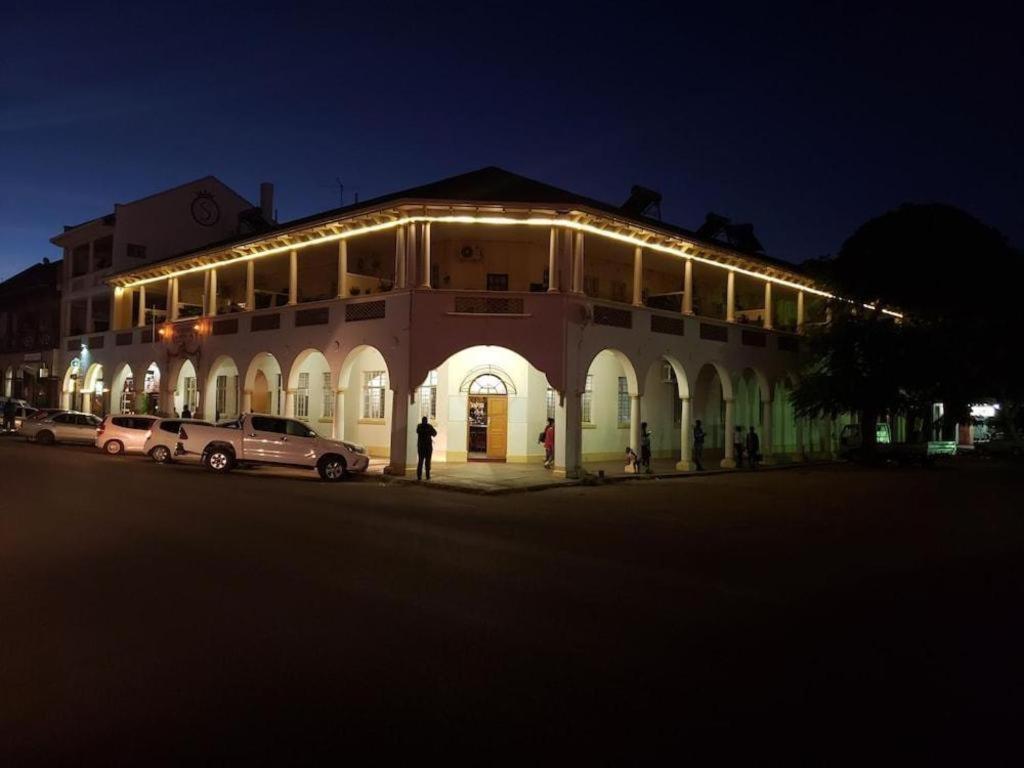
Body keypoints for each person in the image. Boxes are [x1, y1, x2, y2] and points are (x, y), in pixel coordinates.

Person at [415, 416, 437, 481]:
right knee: (427, 462)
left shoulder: (419, 426)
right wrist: (429, 432)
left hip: (421, 447)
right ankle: (427, 475)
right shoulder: (428, 426)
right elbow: (434, 433)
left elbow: (434, 433)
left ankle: (420, 476)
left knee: (421, 461)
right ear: (426, 421)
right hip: (427, 447)